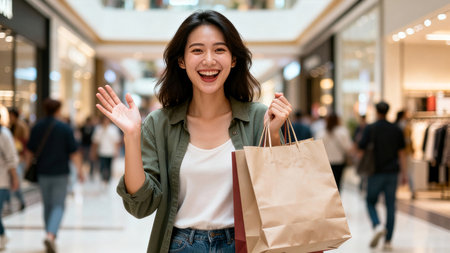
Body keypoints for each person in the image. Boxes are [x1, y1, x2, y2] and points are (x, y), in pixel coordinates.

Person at [95, 10, 292, 253]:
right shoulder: (160, 123)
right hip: (180, 245)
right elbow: (141, 207)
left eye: (219, 50)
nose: (209, 60)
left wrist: (273, 136)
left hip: (243, 245)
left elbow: (279, 195)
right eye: (197, 50)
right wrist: (132, 136)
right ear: (181, 60)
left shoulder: (256, 117)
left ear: (233, 59)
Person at [26, 98, 85, 253]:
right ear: (58, 110)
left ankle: (49, 234)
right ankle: (51, 235)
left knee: (47, 205)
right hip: (60, 172)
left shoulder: (37, 127)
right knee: (58, 204)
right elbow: (74, 152)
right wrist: (80, 170)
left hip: (42, 172)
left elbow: (29, 151)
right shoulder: (64, 128)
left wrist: (26, 168)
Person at [358, 101, 406, 251]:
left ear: (376, 111)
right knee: (391, 205)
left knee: (370, 201)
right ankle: (388, 241)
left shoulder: (370, 128)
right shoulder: (396, 129)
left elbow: (361, 148)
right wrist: (404, 173)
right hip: (392, 172)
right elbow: (401, 153)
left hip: (375, 172)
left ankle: (377, 224)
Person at [316, 113, 353, 191]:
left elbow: (317, 147)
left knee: (327, 184)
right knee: (338, 184)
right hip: (339, 161)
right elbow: (348, 147)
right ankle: (337, 200)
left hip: (326, 162)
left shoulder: (322, 132)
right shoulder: (342, 132)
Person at [0, 120, 20, 251]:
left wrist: (15, 178)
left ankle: (2, 236)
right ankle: (2, 235)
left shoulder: (4, 134)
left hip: (2, 181)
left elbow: (11, 159)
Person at [7, 108, 29, 211]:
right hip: (11, 157)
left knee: (16, 181)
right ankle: (11, 202)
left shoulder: (21, 126)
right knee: (11, 182)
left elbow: (24, 144)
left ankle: (20, 201)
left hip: (19, 158)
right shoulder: (8, 127)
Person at [91, 116, 121, 185]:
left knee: (109, 166)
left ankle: (108, 180)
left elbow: (116, 141)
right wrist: (93, 151)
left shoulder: (113, 129)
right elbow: (95, 141)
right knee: (102, 166)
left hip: (110, 152)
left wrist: (117, 151)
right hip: (101, 151)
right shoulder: (98, 129)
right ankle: (103, 179)